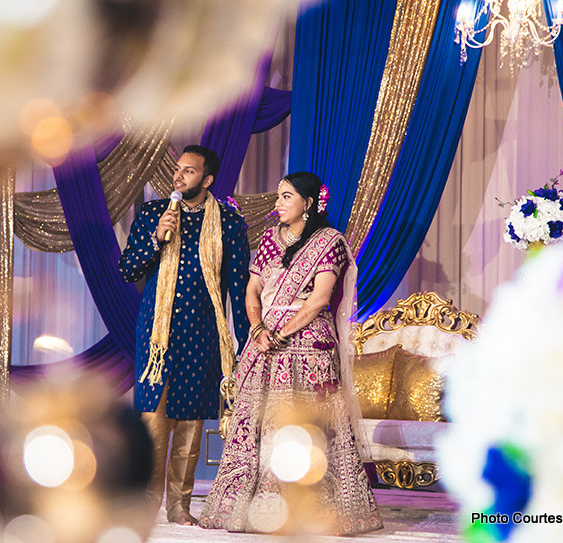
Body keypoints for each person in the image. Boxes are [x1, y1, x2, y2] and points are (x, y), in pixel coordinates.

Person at [199, 172, 382, 535]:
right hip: (264, 342)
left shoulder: (328, 242)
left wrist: (279, 333)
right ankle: (253, 508)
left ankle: (316, 510)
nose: (278, 203)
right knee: (254, 426)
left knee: (309, 426)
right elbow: (252, 291)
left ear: (308, 204)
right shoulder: (269, 239)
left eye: (286, 197)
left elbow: (318, 300)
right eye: (279, 196)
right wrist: (257, 329)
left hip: (308, 344)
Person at [118, 145, 250, 525]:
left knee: (191, 421)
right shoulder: (151, 214)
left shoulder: (227, 222)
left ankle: (179, 505)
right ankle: (142, 505)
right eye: (178, 169)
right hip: (157, 336)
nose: (179, 176)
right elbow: (128, 269)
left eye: (189, 171)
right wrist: (156, 238)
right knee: (152, 419)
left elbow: (237, 287)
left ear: (207, 180)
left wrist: (243, 344)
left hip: (203, 333)